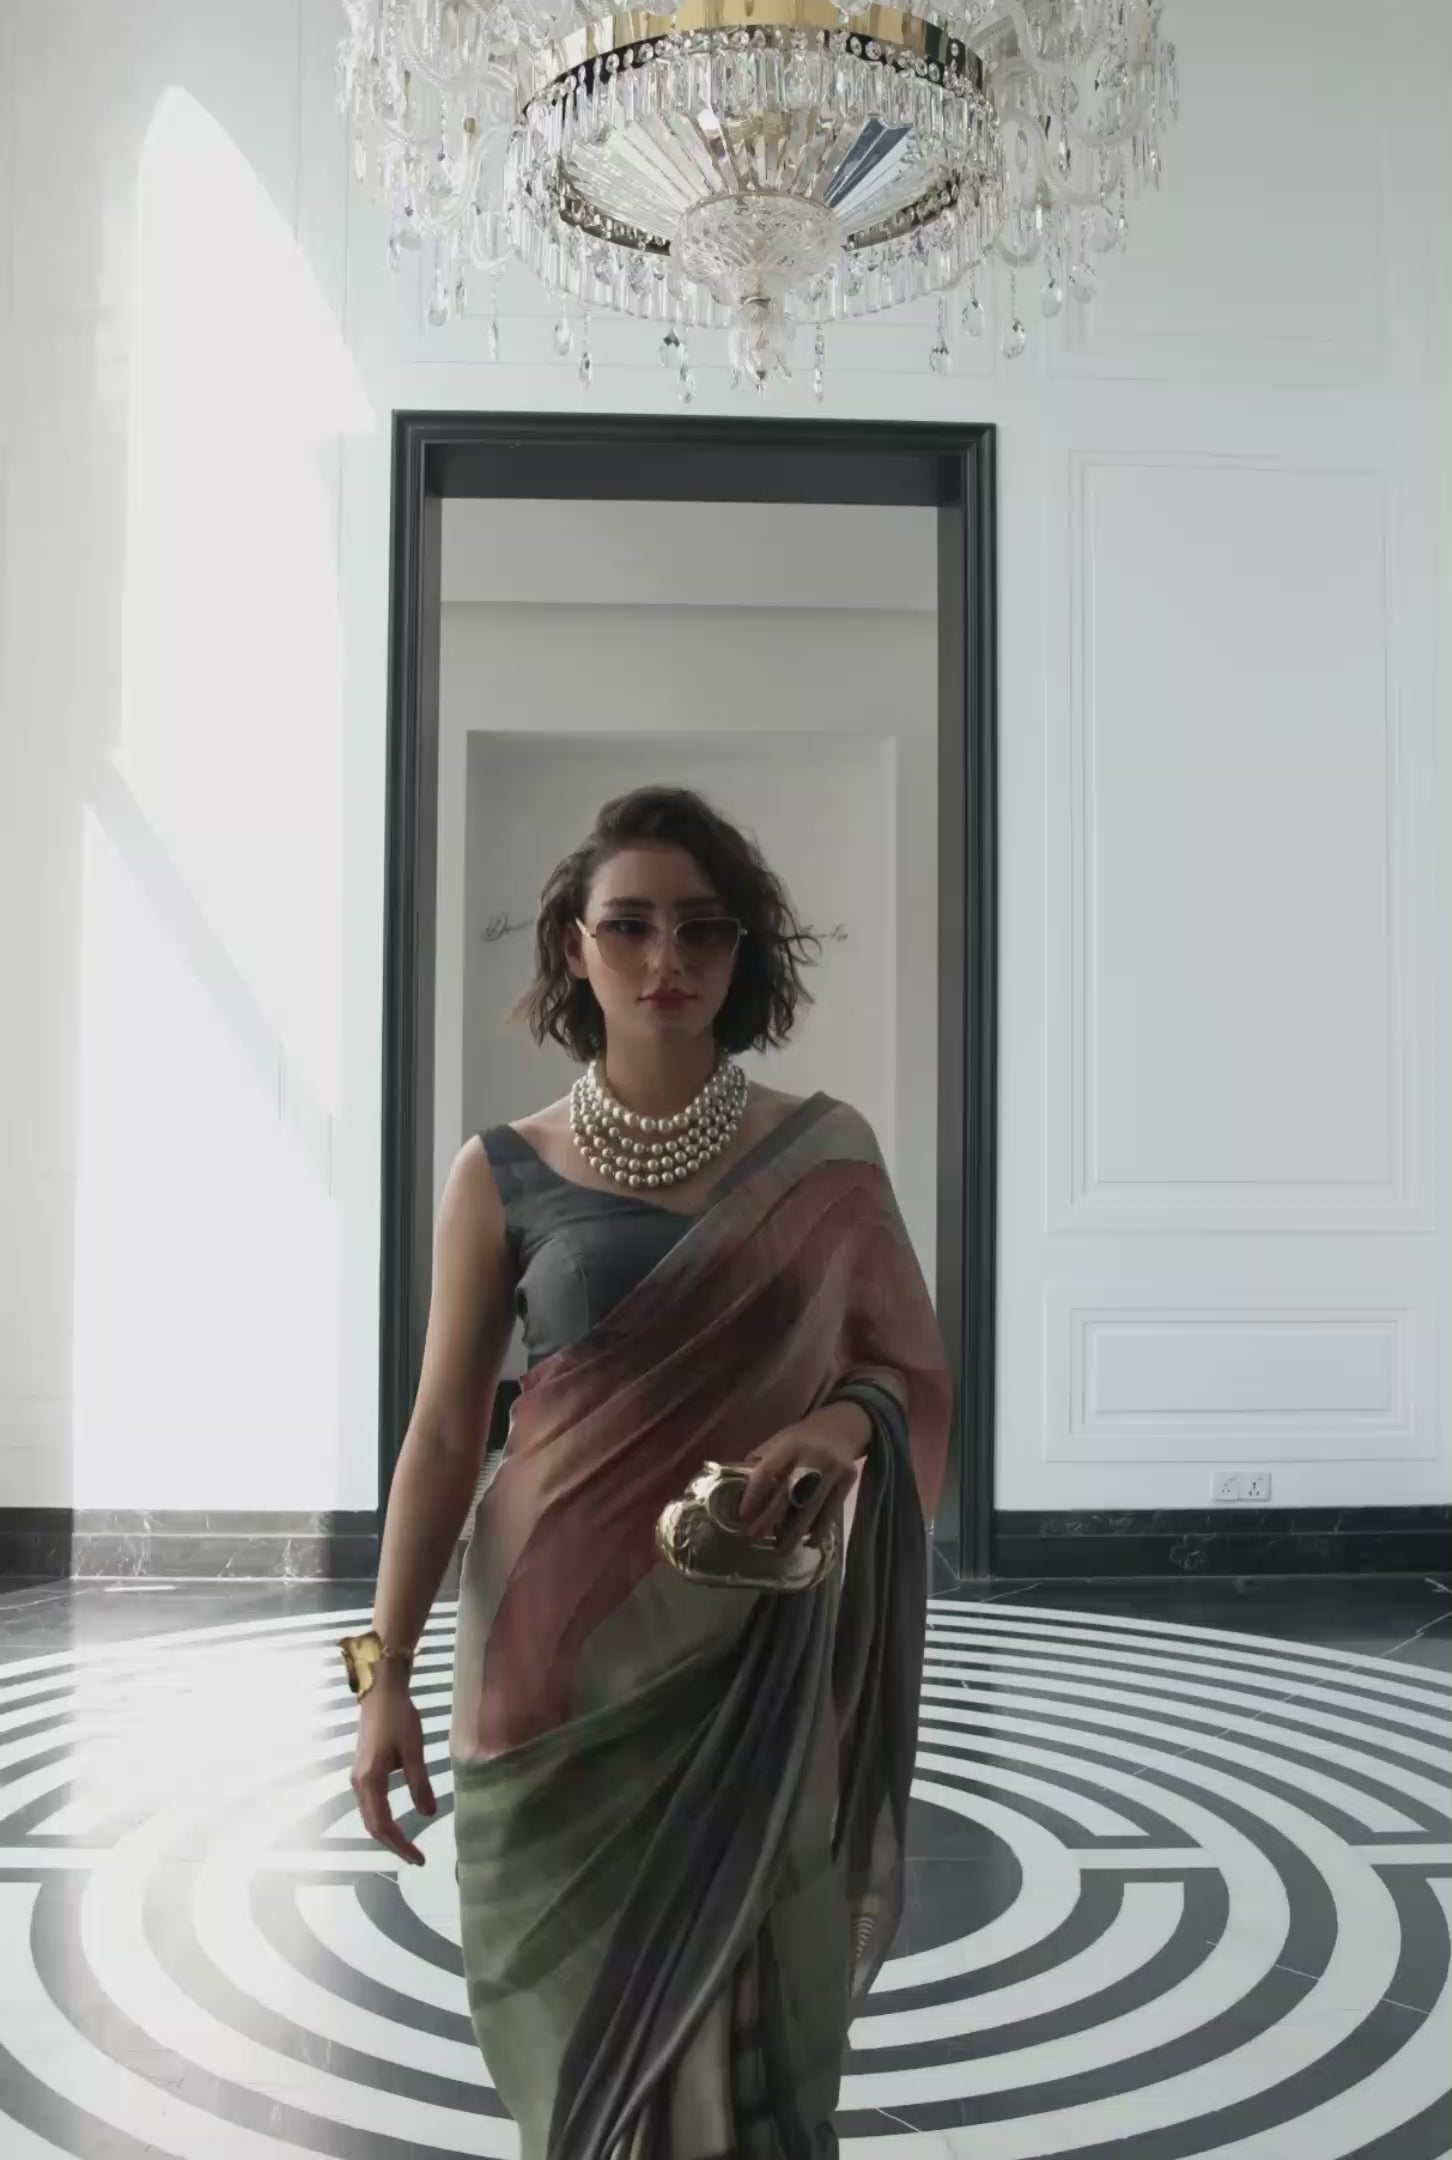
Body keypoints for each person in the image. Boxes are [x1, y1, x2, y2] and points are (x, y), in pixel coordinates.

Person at [349, 785, 951, 2158]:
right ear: (574, 947)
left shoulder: (828, 1153)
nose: (666, 958)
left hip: (752, 1651)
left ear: (743, 953)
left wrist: (842, 1425)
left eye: (703, 928)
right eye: (628, 926)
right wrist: (377, 1677)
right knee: (578, 2056)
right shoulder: (499, 1172)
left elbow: (908, 1373)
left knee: (753, 2018)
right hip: (545, 1660)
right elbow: (441, 1436)